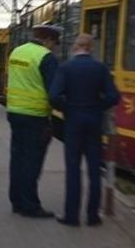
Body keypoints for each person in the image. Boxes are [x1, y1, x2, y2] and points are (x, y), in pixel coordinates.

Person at [50, 34, 120, 227]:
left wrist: (68, 108)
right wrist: (98, 106)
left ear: (75, 47)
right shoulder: (100, 68)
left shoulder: (66, 67)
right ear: (91, 48)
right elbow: (114, 96)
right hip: (94, 121)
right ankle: (93, 216)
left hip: (73, 121)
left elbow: (54, 96)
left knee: (73, 168)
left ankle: (72, 216)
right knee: (94, 169)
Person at [6, 24, 62, 218]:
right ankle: (30, 205)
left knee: (17, 159)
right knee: (31, 162)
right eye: (54, 43)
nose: (54, 47)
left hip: (14, 113)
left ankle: (16, 201)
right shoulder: (46, 57)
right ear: (48, 39)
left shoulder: (16, 52)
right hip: (35, 116)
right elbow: (54, 93)